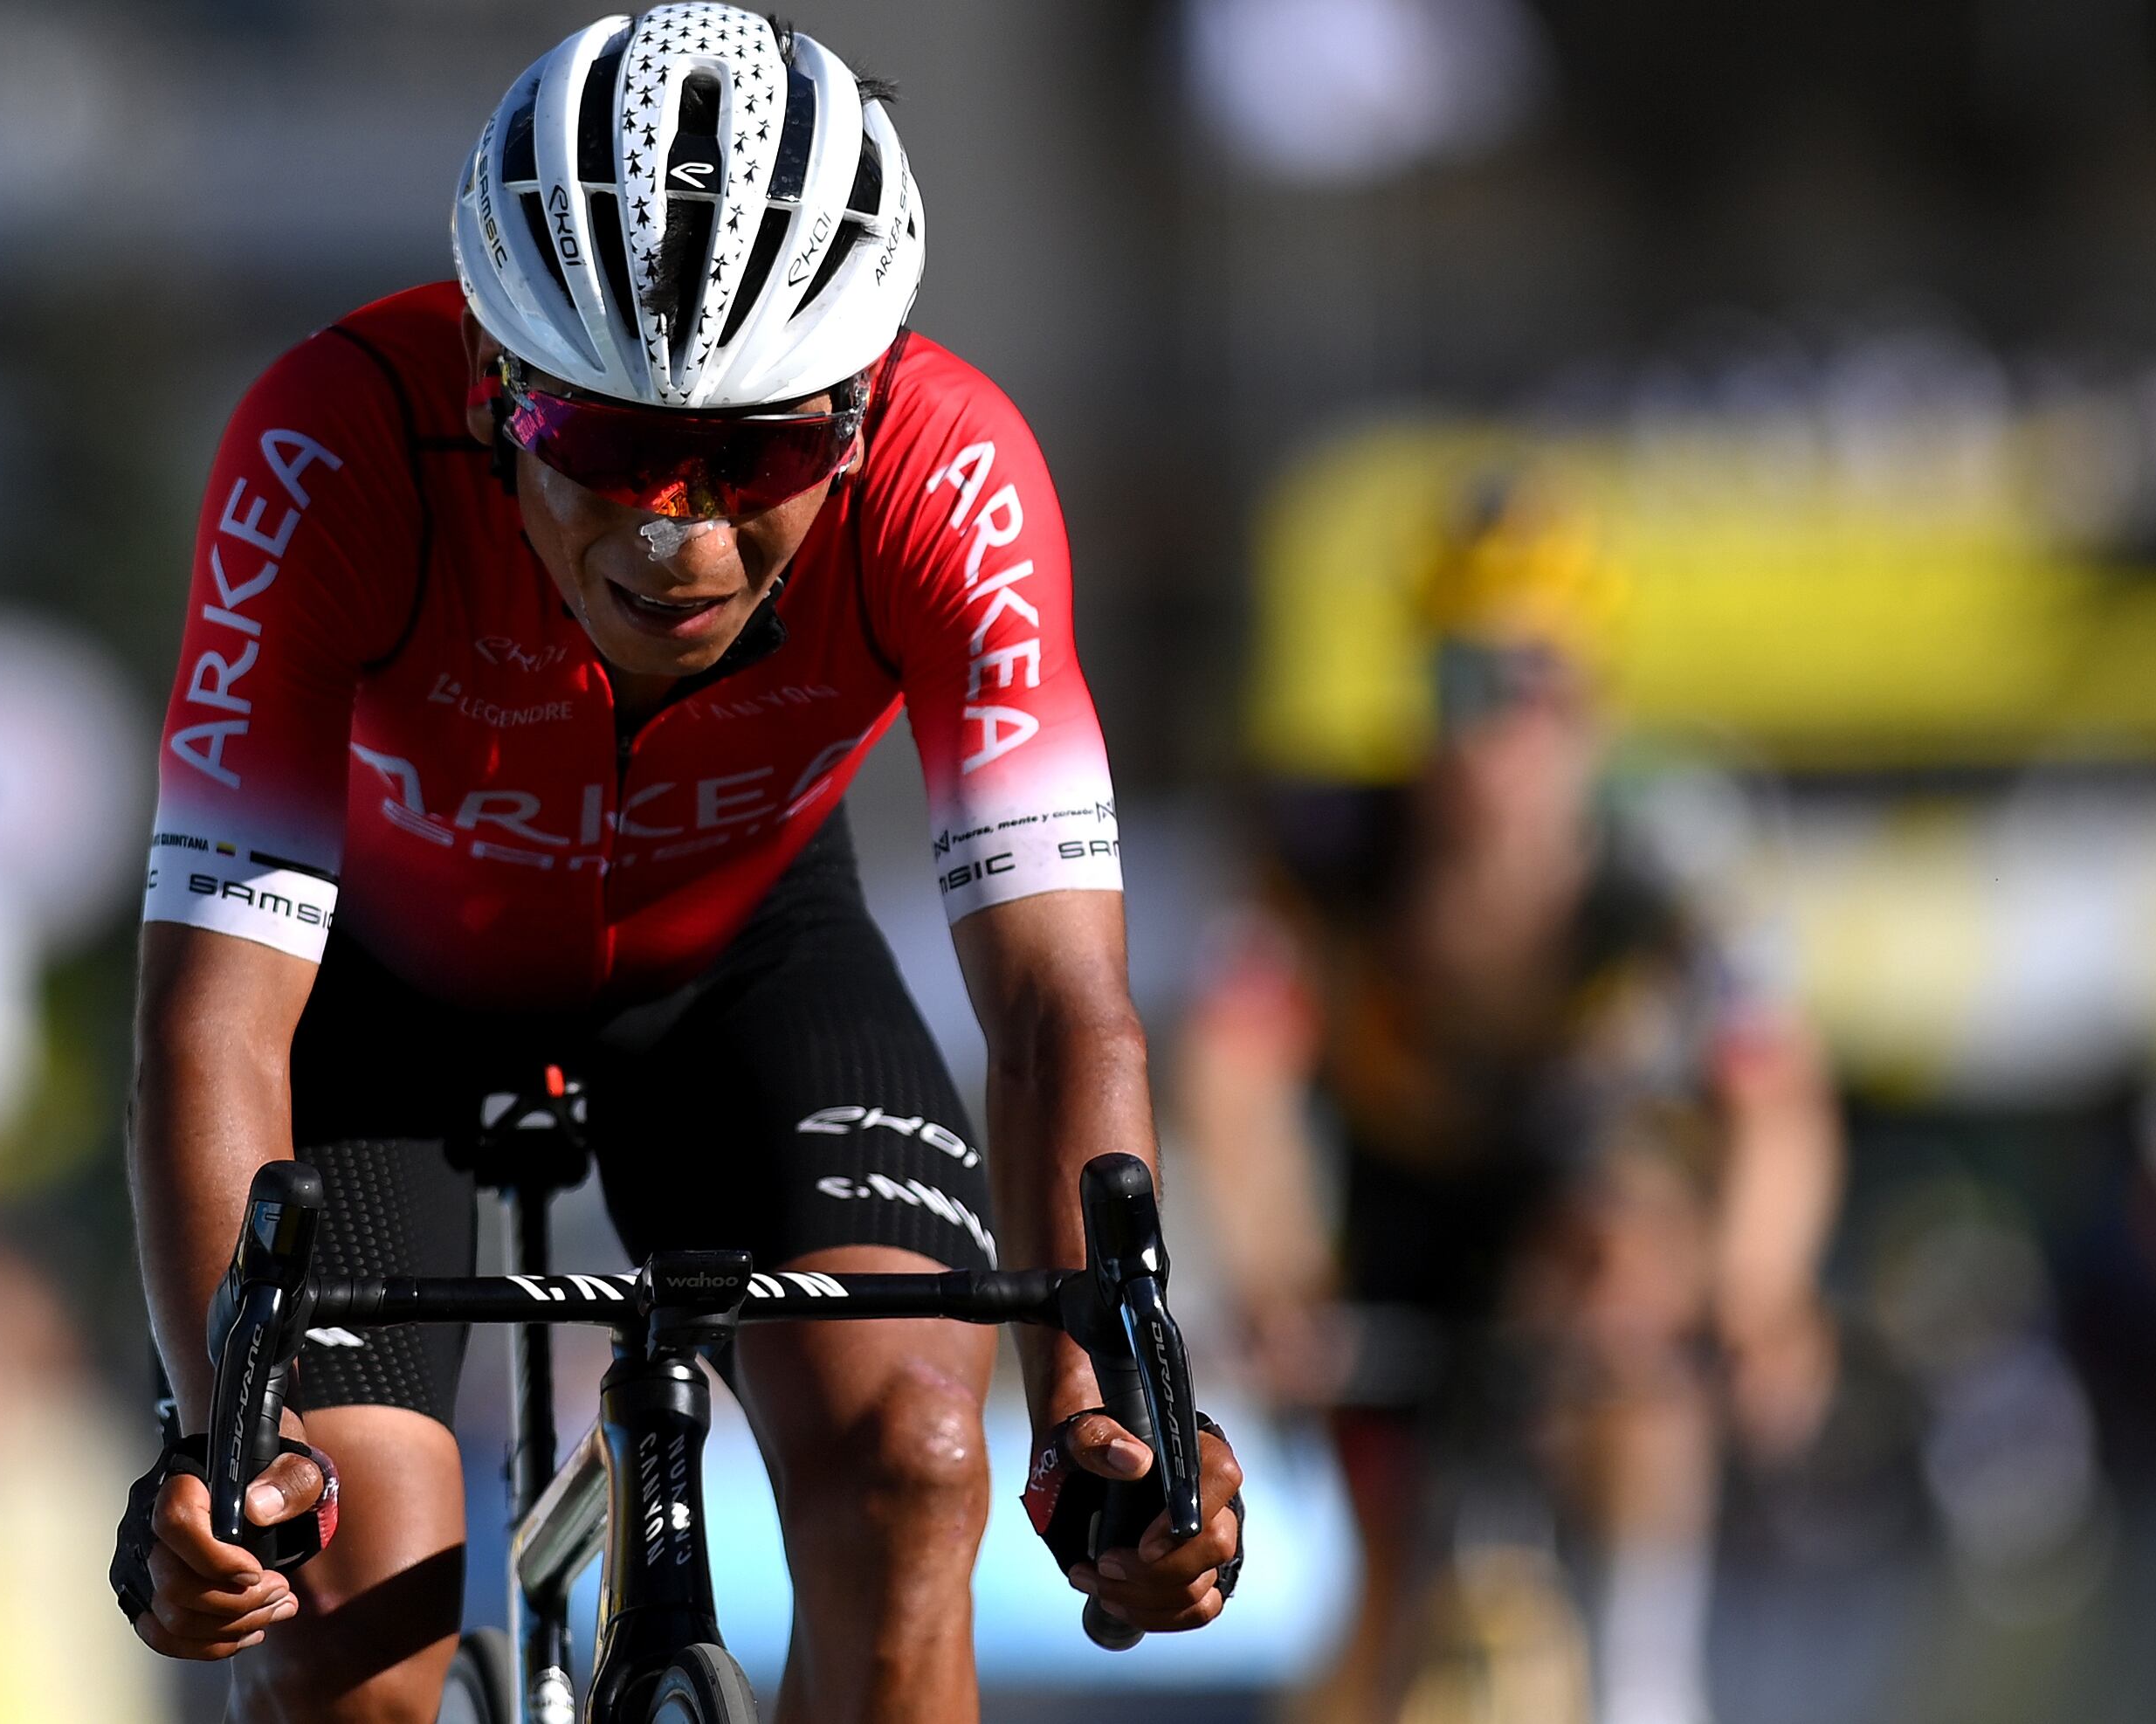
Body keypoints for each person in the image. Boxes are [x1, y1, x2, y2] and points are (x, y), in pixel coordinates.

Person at [112, 8, 1241, 1721]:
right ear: (496, 386)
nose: (677, 531)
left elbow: (1060, 1009)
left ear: (859, 413)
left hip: (740, 970)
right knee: (351, 1618)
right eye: (608, 445)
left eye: (762, 452)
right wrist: (228, 1443)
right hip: (375, 1001)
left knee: (919, 1465)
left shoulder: (958, 474)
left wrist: (1104, 1408)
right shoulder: (329, 444)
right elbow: (210, 1023)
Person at [1174, 475, 1843, 1724]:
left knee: (1627, 1278)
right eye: (1462, 689)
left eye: (1535, 691)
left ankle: (1648, 1676)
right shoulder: (1329, 840)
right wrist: (1271, 1272)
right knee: (1379, 1610)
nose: (1496, 737)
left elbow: (1775, 1094)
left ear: (1590, 703)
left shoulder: (1670, 843)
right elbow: (1231, 1068)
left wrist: (1759, 1290)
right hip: (1399, 1209)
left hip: (1582, 1203)